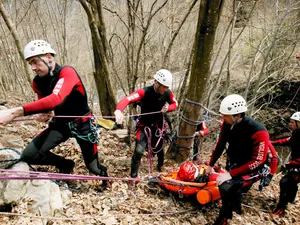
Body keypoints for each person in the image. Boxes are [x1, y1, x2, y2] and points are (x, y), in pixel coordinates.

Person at [0, 40, 109, 190]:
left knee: (93, 168)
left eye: (35, 62)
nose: (32, 68)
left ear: (48, 57)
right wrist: (44, 113)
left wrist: (14, 112)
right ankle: (66, 164)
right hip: (60, 125)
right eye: (30, 64)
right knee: (29, 155)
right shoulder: (37, 83)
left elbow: (55, 99)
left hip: (83, 124)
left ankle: (106, 179)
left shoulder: (67, 72)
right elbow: (45, 104)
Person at [205, 94, 278, 225]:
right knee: (233, 189)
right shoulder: (228, 124)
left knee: (227, 188)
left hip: (254, 168)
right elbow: (220, 144)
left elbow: (258, 161)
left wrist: (230, 174)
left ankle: (223, 220)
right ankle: (237, 207)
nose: (222, 118)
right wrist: (211, 165)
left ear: (237, 115)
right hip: (235, 163)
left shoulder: (258, 131)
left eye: (225, 115)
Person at [114, 69, 178, 187]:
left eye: (166, 87)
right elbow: (127, 99)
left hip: (158, 126)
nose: (165, 89)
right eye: (164, 87)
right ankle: (133, 177)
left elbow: (175, 104)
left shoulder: (167, 93)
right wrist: (118, 111)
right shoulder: (144, 92)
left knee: (160, 150)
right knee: (138, 151)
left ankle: (160, 166)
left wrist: (168, 109)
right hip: (144, 126)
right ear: (156, 83)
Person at [271, 112, 300, 216]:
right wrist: (271, 143)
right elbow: (286, 141)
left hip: (298, 166)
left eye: (292, 122)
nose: (290, 124)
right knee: (290, 183)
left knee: (285, 182)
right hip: (296, 165)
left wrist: (289, 164)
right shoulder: (297, 134)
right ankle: (290, 200)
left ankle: (281, 208)